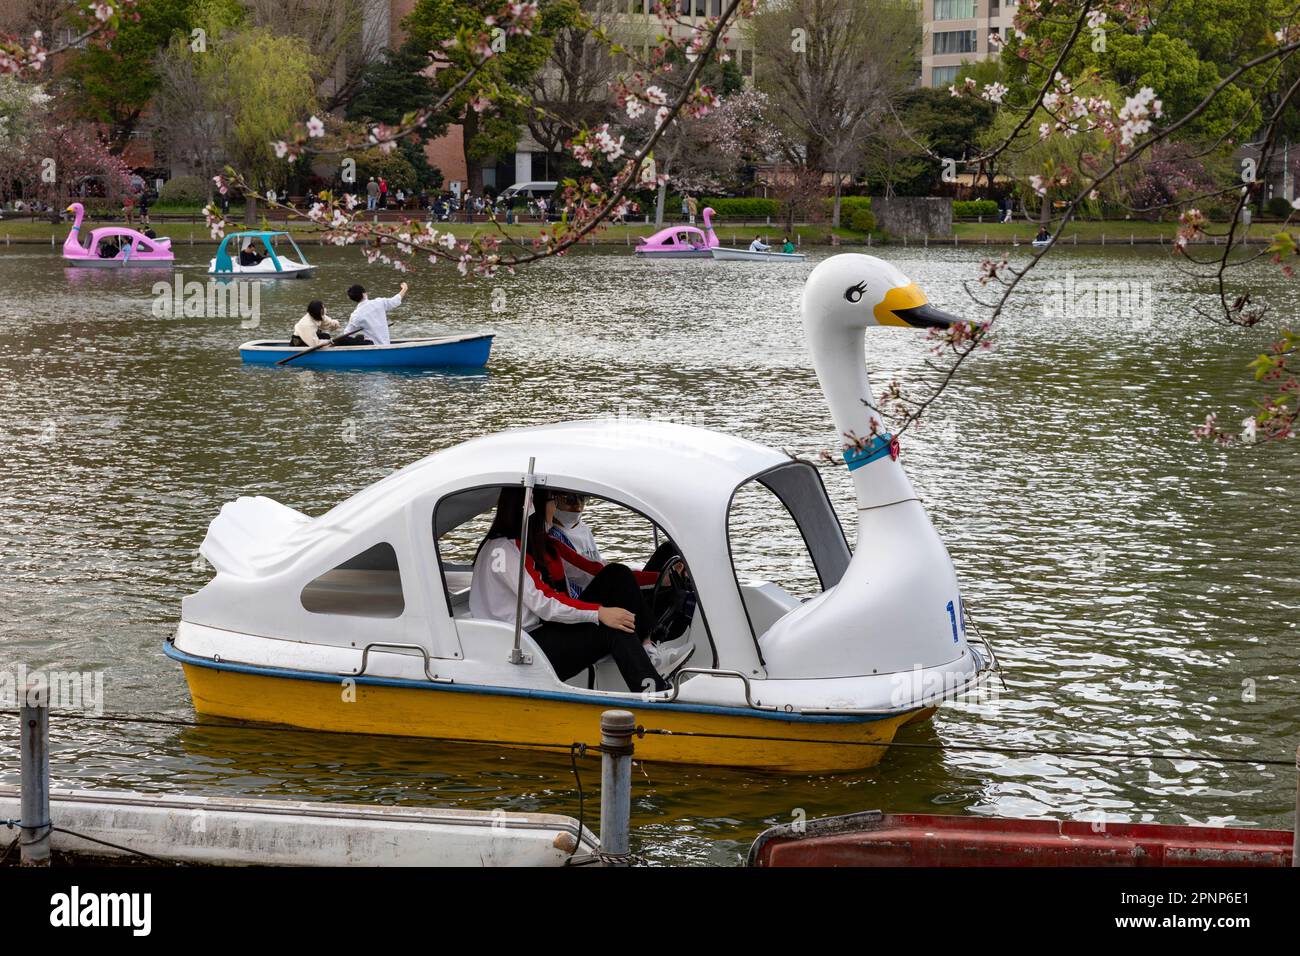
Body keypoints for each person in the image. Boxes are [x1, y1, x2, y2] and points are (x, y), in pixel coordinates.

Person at [469, 487, 679, 693]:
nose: (555, 508)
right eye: (552, 501)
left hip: (542, 632)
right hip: (522, 647)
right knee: (614, 628)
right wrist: (599, 613)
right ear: (534, 507)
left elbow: (593, 572)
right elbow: (543, 601)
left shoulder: (540, 544)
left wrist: (663, 578)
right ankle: (653, 693)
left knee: (617, 574)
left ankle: (647, 647)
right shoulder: (504, 550)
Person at [335, 281, 408, 346]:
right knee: (359, 338)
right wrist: (404, 288)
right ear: (364, 294)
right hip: (385, 344)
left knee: (353, 338)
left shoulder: (355, 315)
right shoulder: (379, 302)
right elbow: (394, 301)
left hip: (372, 345)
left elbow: (347, 334)